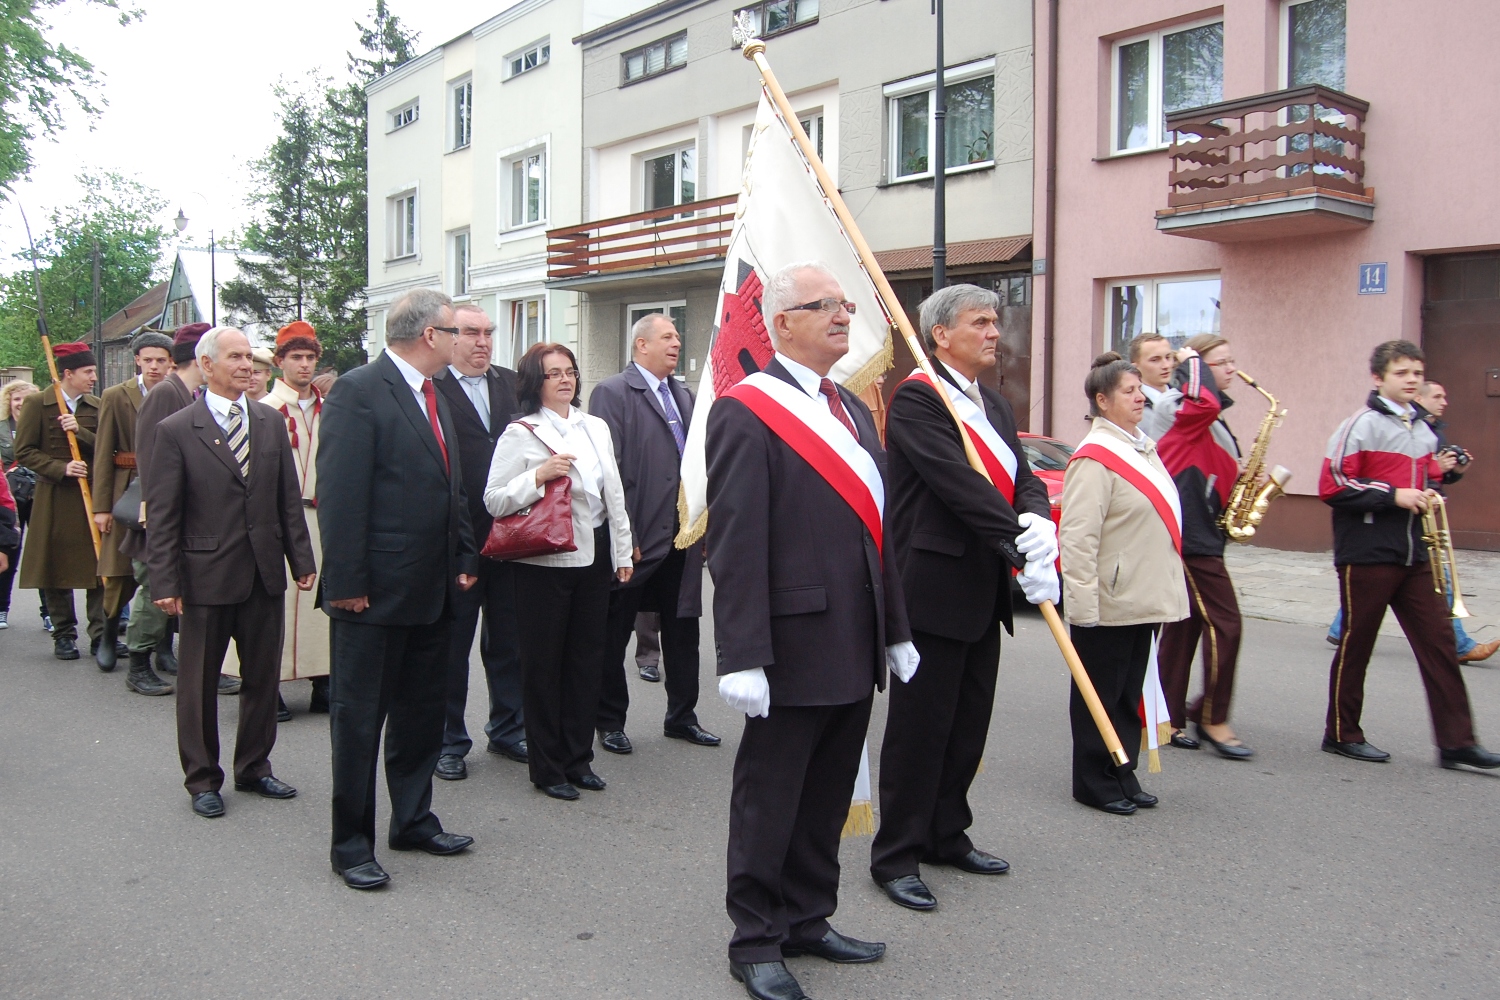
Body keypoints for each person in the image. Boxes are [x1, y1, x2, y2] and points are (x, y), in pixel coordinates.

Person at [708, 262, 912, 1000]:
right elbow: (734, 540)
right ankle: (756, 938)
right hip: (789, 644)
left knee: (828, 792)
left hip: (854, 640)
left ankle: (808, 918)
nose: (841, 314)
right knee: (772, 796)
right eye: (822, 304)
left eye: (846, 304)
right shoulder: (746, 410)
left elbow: (875, 533)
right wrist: (743, 654)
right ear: (781, 321)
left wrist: (896, 628)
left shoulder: (853, 409)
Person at [870, 284, 1056, 913]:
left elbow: (1024, 479)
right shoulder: (920, 398)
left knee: (966, 727)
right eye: (980, 322)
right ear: (941, 334)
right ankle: (895, 855)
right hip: (933, 588)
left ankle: (947, 833)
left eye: (995, 322)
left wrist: (1039, 523)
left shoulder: (996, 406)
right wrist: (1019, 544)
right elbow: (959, 488)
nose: (994, 332)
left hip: (982, 593)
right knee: (919, 731)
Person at [318, 288, 478, 890]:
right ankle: (350, 843)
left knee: (419, 717)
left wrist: (464, 555)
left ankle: (413, 819)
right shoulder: (359, 391)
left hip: (433, 589)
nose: (466, 341)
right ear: (430, 336)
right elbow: (340, 495)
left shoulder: (436, 394)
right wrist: (347, 583)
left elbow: (451, 485)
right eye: (456, 330)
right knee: (359, 722)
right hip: (374, 594)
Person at [144, 326, 316, 818]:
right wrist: (165, 582)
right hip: (204, 577)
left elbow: (287, 499)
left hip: (263, 573)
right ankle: (202, 778)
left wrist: (301, 561)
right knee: (198, 685)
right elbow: (163, 514)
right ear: (206, 365)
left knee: (263, 679)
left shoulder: (267, 422)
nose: (246, 365)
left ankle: (255, 767)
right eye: (235, 357)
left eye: (250, 357)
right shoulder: (177, 429)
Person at [1318, 341, 1500, 771]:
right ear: (1379, 378)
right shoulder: (1359, 425)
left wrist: (1444, 472)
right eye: (1402, 373)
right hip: (1367, 553)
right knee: (1356, 644)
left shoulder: (1421, 428)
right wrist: (1393, 495)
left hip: (1415, 552)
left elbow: (1419, 476)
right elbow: (1333, 485)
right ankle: (1342, 733)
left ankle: (1457, 742)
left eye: (1417, 373)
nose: (1412, 380)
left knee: (1439, 644)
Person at [485, 343, 633, 799]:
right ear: (536, 382)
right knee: (544, 665)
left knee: (587, 661)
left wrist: (624, 553)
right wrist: (539, 476)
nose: (565, 380)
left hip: (593, 554)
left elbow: (615, 494)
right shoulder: (522, 432)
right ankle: (548, 767)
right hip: (543, 562)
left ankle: (578, 758)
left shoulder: (595, 427)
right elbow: (494, 499)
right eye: (553, 374)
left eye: (570, 371)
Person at [1059, 353, 1188, 815]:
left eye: (1141, 390)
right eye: (1129, 391)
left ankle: (1122, 769)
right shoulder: (1095, 459)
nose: (1140, 398)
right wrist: (1083, 606)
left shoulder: (1140, 447)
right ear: (1102, 400)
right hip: (1108, 600)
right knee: (1100, 693)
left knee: (1129, 691)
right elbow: (1077, 538)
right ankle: (1093, 779)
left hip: (1142, 596)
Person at [590, 312, 719, 755]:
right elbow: (611, 471)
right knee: (615, 631)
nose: (676, 343)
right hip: (638, 537)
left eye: (678, 337)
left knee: (683, 632)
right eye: (666, 337)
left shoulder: (683, 394)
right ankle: (609, 721)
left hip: (681, 538)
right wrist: (625, 537)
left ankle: (682, 717)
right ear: (640, 345)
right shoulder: (612, 392)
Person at [1324, 380, 1496, 662]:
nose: (1444, 402)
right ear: (1419, 398)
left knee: (1377, 590)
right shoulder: (1386, 426)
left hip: (1417, 521)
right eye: (1438, 396)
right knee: (1438, 582)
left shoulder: (1429, 431)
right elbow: (1399, 478)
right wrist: (1433, 473)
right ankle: (1459, 645)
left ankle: (1340, 626)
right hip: (1389, 524)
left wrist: (1453, 471)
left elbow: (1430, 476)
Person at [430, 304, 527, 778]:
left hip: (511, 536)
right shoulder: (432, 388)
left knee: (509, 639)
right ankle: (448, 741)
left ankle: (509, 729)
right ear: (448, 337)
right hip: (456, 539)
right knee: (453, 644)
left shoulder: (512, 384)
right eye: (471, 333)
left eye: (488, 333)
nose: (482, 342)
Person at [1155, 336, 1254, 759]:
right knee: (1226, 624)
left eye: (1234, 360)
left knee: (1184, 625)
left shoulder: (1211, 415)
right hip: (1190, 532)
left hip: (1206, 527)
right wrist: (1191, 359)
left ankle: (1166, 715)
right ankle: (1212, 715)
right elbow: (1204, 404)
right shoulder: (1180, 405)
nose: (1233, 369)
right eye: (1223, 362)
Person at [235, 321, 333, 721]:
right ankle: (265, 682)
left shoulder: (330, 410)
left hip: (322, 514)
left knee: (320, 605)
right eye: (296, 358)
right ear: (279, 363)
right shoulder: (263, 411)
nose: (305, 366)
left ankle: (323, 680)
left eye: (310, 358)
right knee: (274, 603)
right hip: (278, 517)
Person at [133, 323, 234, 693]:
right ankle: (138, 662)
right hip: (166, 509)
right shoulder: (165, 393)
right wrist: (156, 505)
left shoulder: (191, 392)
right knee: (154, 585)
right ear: (201, 358)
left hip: (193, 511)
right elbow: (150, 454)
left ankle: (165, 653)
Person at [91, 331, 175, 692]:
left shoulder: (179, 392)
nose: (155, 366)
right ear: (137, 360)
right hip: (125, 487)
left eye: (161, 360)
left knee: (164, 571)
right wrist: (101, 507)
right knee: (120, 572)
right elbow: (103, 452)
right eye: (148, 359)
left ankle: (163, 647)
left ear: (171, 362)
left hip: (161, 488)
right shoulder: (116, 395)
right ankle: (109, 634)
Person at [15, 342, 105, 661]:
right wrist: (61, 467)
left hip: (91, 495)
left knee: (99, 567)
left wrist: (79, 430)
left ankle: (100, 635)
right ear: (68, 374)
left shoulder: (97, 405)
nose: (94, 377)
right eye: (88, 372)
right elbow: (23, 451)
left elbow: (107, 448)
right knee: (55, 567)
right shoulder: (38, 404)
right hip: (54, 495)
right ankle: (64, 634)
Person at [0, 379, 45, 631]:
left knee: (41, 554)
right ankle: (1, 608)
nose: (21, 404)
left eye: (27, 399)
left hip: (39, 493)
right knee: (8, 552)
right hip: (11, 498)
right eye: (17, 398)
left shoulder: (44, 427)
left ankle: (48, 612)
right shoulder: (1, 429)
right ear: (9, 401)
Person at [1130, 332, 1182, 441]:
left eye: (1168, 357)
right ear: (1136, 367)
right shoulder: (1132, 407)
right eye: (1155, 360)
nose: (1166, 365)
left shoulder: (1183, 398)